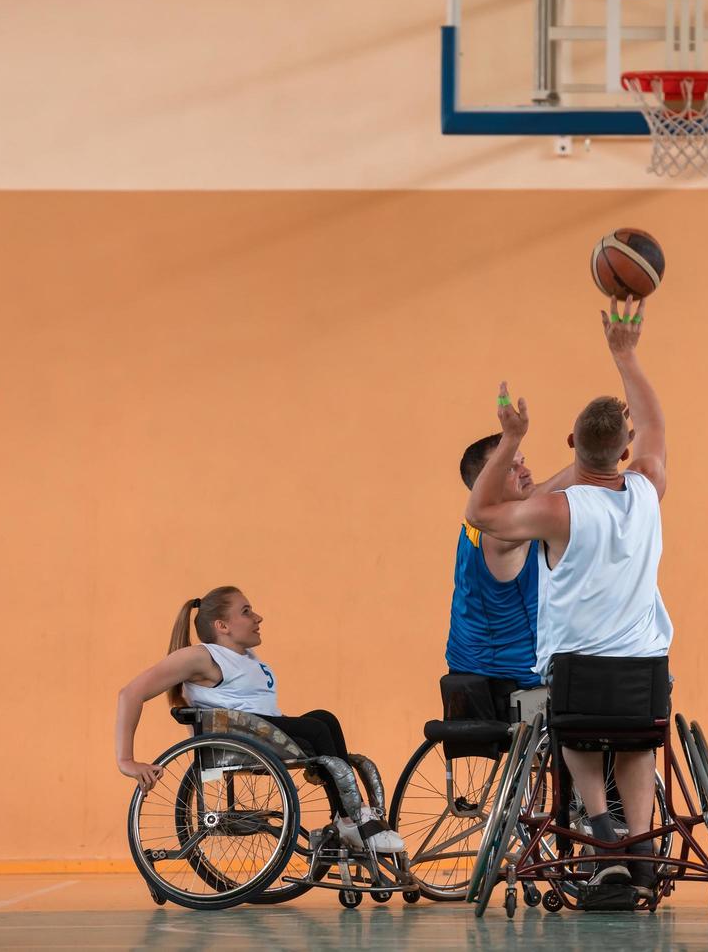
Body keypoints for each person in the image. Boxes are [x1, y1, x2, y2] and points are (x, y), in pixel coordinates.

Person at [465, 295, 669, 893]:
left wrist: (510, 438)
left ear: (571, 443)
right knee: (636, 747)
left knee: (576, 738)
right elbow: (657, 425)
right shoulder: (649, 490)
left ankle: (603, 840)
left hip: (578, 670)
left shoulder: (557, 511)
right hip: (644, 669)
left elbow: (479, 512)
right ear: (626, 449)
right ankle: (643, 847)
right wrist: (625, 355)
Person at [114, 586, 404, 852]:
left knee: (324, 720)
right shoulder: (200, 656)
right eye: (246, 611)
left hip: (261, 731)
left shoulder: (246, 656)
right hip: (239, 739)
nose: (258, 617)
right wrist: (126, 761)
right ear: (222, 626)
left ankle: (347, 819)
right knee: (316, 728)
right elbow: (130, 693)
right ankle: (352, 821)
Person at [447, 436, 574, 706]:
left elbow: (548, 490)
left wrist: (596, 449)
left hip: (469, 666)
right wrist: (595, 460)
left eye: (523, 462)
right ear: (486, 482)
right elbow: (552, 495)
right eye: (511, 468)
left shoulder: (482, 523)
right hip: (507, 678)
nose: (526, 471)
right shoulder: (498, 535)